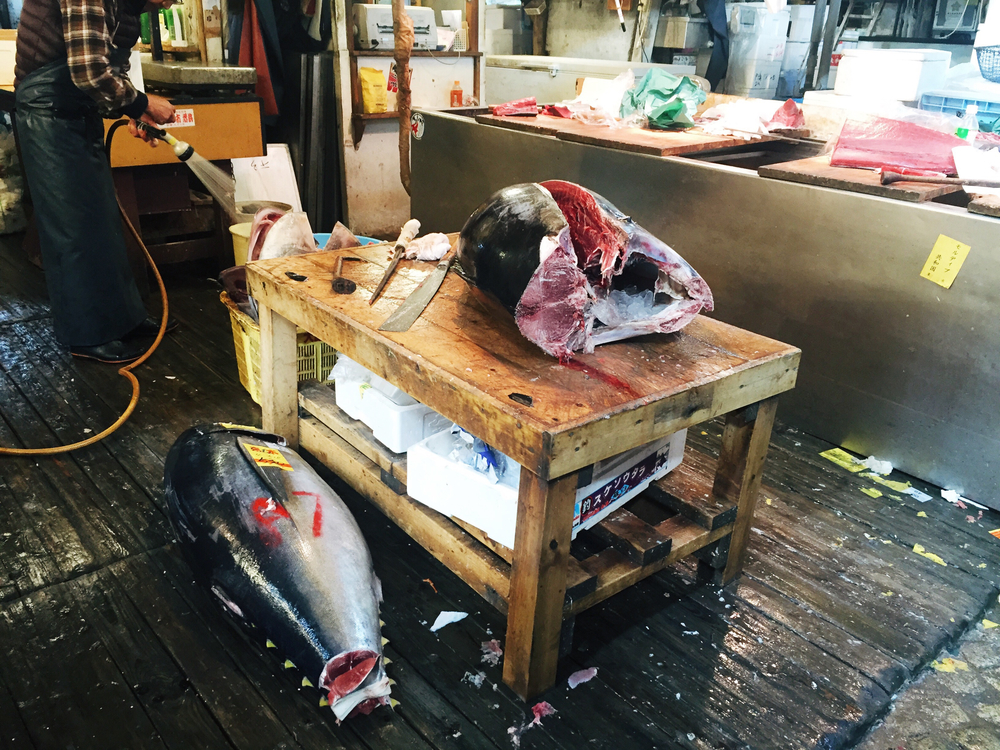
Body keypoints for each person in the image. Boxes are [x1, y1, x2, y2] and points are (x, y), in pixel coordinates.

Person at [14, 0, 181, 364]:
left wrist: (133, 110)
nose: (170, 2)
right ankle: (86, 336)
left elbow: (110, 71)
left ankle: (124, 321)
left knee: (102, 224)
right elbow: (89, 72)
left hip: (77, 111)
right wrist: (142, 104)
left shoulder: (129, 8)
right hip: (48, 112)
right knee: (72, 231)